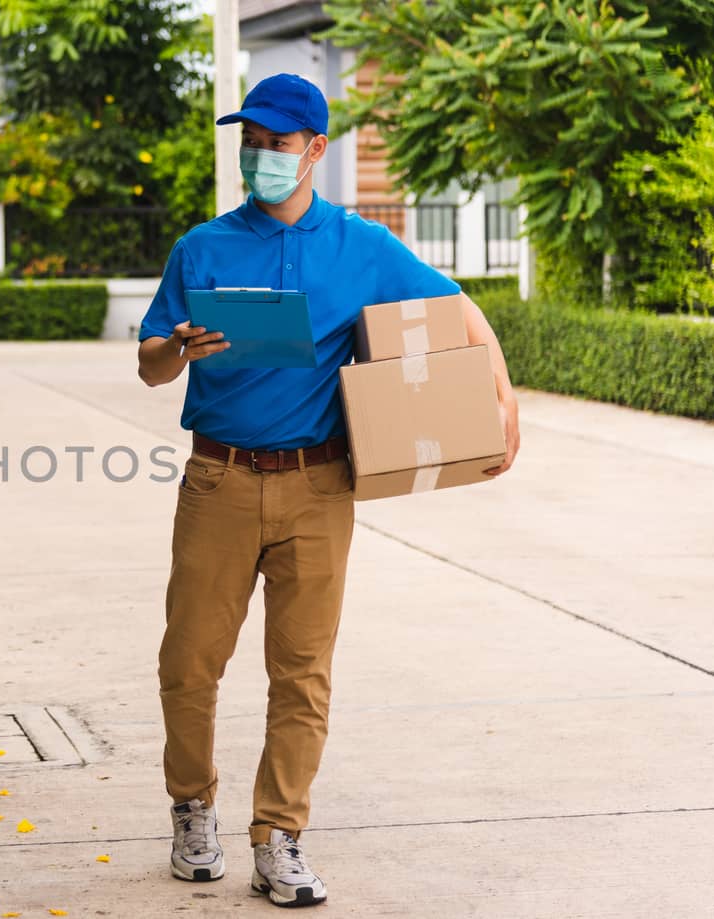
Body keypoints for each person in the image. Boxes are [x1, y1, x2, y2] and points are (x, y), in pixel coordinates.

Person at [136, 73, 521, 908]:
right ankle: (191, 804)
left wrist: (503, 397)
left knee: (302, 671)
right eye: (251, 142)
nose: (260, 156)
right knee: (188, 662)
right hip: (218, 479)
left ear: (315, 150)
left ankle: (278, 834)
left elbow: (458, 308)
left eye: (276, 143)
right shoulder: (200, 247)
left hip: (318, 486)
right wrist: (181, 349)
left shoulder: (360, 245)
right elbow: (149, 363)